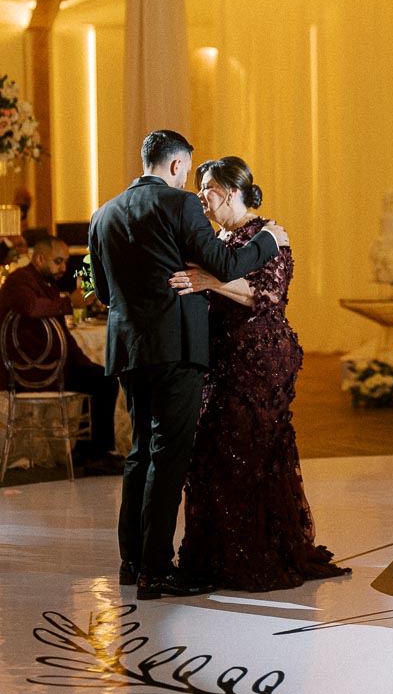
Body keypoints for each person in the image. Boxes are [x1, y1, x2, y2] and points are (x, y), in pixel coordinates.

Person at [88, 129, 289, 601]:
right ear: (178, 166)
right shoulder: (180, 206)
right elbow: (221, 260)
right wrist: (268, 242)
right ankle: (157, 568)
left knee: (138, 453)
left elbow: (100, 292)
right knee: (168, 456)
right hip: (175, 348)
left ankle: (131, 560)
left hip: (128, 350)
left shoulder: (103, 214)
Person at [170, 156, 349, 591]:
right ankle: (218, 554)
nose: (202, 198)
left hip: (259, 359)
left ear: (231, 191)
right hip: (221, 357)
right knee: (213, 454)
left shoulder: (272, 235)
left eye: (207, 188)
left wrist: (209, 282)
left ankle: (253, 553)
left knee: (247, 452)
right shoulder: (218, 238)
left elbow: (266, 294)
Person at [0, 236, 123, 474]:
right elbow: (30, 308)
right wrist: (68, 303)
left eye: (65, 262)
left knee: (103, 379)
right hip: (31, 372)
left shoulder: (47, 286)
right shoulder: (19, 280)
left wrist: (85, 363)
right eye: (58, 262)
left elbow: (64, 337)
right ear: (39, 258)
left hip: (52, 367)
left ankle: (91, 453)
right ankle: (91, 455)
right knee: (102, 382)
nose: (63, 269)